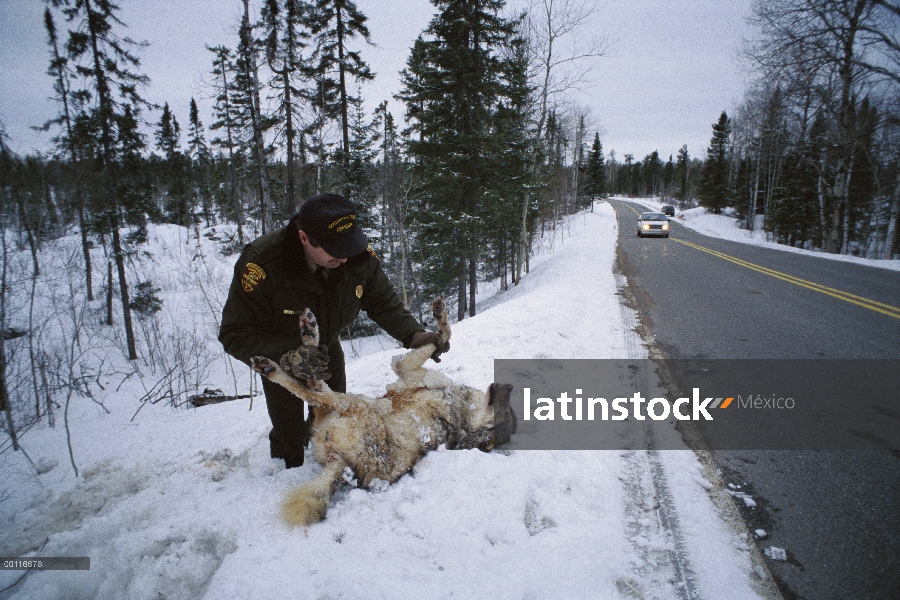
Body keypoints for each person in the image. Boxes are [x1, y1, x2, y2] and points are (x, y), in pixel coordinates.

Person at [219, 193, 448, 468]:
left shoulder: (355, 255)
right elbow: (235, 332)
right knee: (288, 436)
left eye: (348, 247)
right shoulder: (263, 263)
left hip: (328, 349)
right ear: (304, 238)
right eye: (335, 250)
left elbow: (382, 301)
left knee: (336, 421)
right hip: (280, 356)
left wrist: (413, 335)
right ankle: (283, 474)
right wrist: (286, 357)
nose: (344, 258)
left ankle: (331, 468)